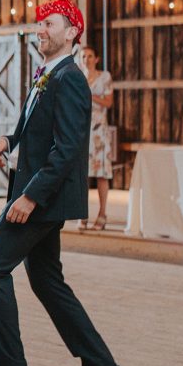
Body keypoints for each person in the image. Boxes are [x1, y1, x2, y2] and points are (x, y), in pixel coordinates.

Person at [0, 0, 121, 366]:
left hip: (42, 198)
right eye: (39, 23)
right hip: (41, 193)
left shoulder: (70, 77)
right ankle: (101, 364)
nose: (41, 29)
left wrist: (30, 196)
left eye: (49, 23)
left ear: (72, 32)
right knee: (46, 278)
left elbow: (68, 148)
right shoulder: (47, 73)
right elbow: (34, 127)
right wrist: (9, 140)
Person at [79, 45, 113, 230]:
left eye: (90, 56)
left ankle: (102, 214)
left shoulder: (104, 77)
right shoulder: (78, 78)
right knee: (82, 174)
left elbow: (108, 102)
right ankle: (82, 214)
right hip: (82, 130)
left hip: (99, 130)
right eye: (83, 56)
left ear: (96, 59)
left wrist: (90, 96)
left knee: (101, 174)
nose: (87, 59)